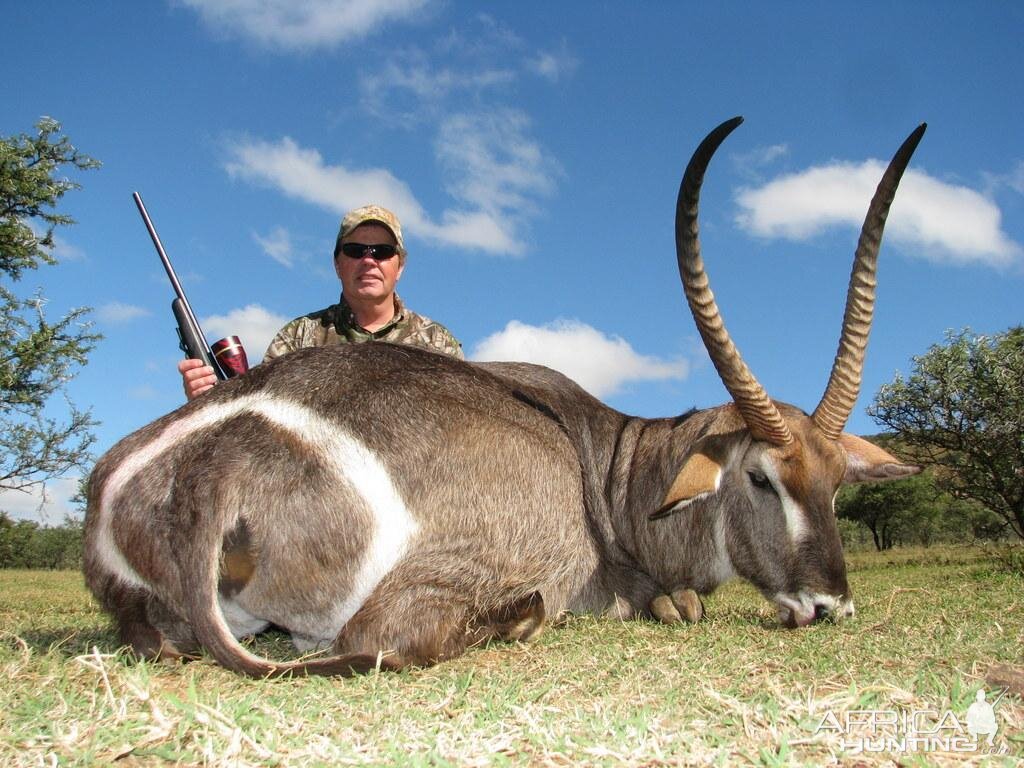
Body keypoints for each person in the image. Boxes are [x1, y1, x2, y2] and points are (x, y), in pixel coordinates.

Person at [179, 204, 463, 400]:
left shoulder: (437, 343)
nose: (368, 261)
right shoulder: (297, 338)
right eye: (355, 251)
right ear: (338, 264)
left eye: (382, 251)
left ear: (399, 266)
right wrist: (208, 398)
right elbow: (255, 424)